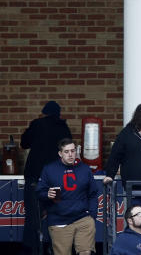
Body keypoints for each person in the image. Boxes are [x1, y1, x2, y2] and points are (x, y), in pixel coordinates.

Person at [21, 100, 73, 255]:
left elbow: (24, 143)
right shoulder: (64, 127)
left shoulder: (37, 124)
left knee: (33, 216)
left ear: (44, 112)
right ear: (58, 114)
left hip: (35, 178)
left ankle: (33, 249)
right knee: (55, 213)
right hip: (55, 179)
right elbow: (68, 151)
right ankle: (53, 248)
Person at [37, 138, 101, 255]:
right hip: (59, 219)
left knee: (86, 252)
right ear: (60, 153)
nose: (71, 154)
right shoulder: (49, 169)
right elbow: (39, 192)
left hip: (83, 218)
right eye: (66, 152)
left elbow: (93, 193)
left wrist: (92, 215)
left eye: (73, 151)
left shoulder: (84, 168)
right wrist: (47, 194)